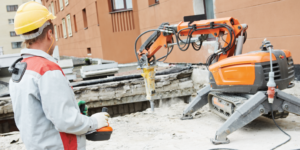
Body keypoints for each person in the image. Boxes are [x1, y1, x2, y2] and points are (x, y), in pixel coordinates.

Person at [9, 2, 109, 150]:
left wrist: (72, 109)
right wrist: (93, 122)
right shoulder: (46, 69)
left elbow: (36, 115)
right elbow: (65, 120)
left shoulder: (20, 70)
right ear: (50, 34)